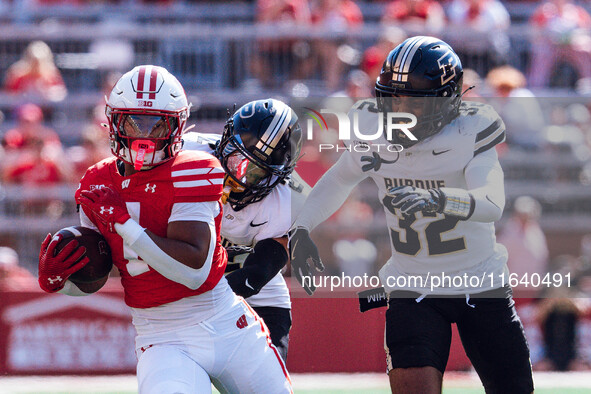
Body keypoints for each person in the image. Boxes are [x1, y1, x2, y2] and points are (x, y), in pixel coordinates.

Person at [290, 36, 534, 393]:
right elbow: (340, 178)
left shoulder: (472, 128)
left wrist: (440, 200)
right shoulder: (372, 128)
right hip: (412, 286)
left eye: (416, 101)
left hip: (481, 282)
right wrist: (302, 228)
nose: (401, 109)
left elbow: (491, 202)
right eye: (393, 97)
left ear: (448, 101)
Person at [37, 65, 292, 393]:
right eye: (134, 122)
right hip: (163, 339)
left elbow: (194, 271)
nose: (145, 136)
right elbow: (99, 271)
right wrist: (61, 281)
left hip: (225, 324)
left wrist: (124, 224)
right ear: (114, 122)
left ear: (178, 127)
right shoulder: (97, 181)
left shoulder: (193, 168)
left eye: (158, 125)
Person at [182, 98, 306, 362]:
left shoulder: (287, 199)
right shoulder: (189, 153)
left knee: (268, 381)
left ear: (276, 176)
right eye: (237, 158)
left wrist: (202, 298)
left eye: (255, 171)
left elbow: (257, 273)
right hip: (188, 283)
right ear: (225, 141)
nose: (239, 176)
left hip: (256, 292)